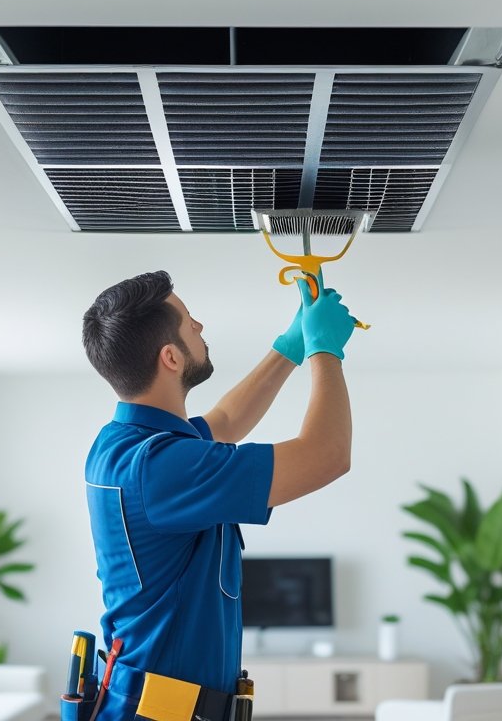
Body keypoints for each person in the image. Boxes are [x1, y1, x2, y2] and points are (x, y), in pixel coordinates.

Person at [79, 269, 357, 721]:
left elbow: (225, 420)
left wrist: (291, 346)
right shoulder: (162, 467)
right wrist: (326, 350)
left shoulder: (126, 442)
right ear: (170, 358)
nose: (200, 327)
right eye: (190, 322)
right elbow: (327, 455)